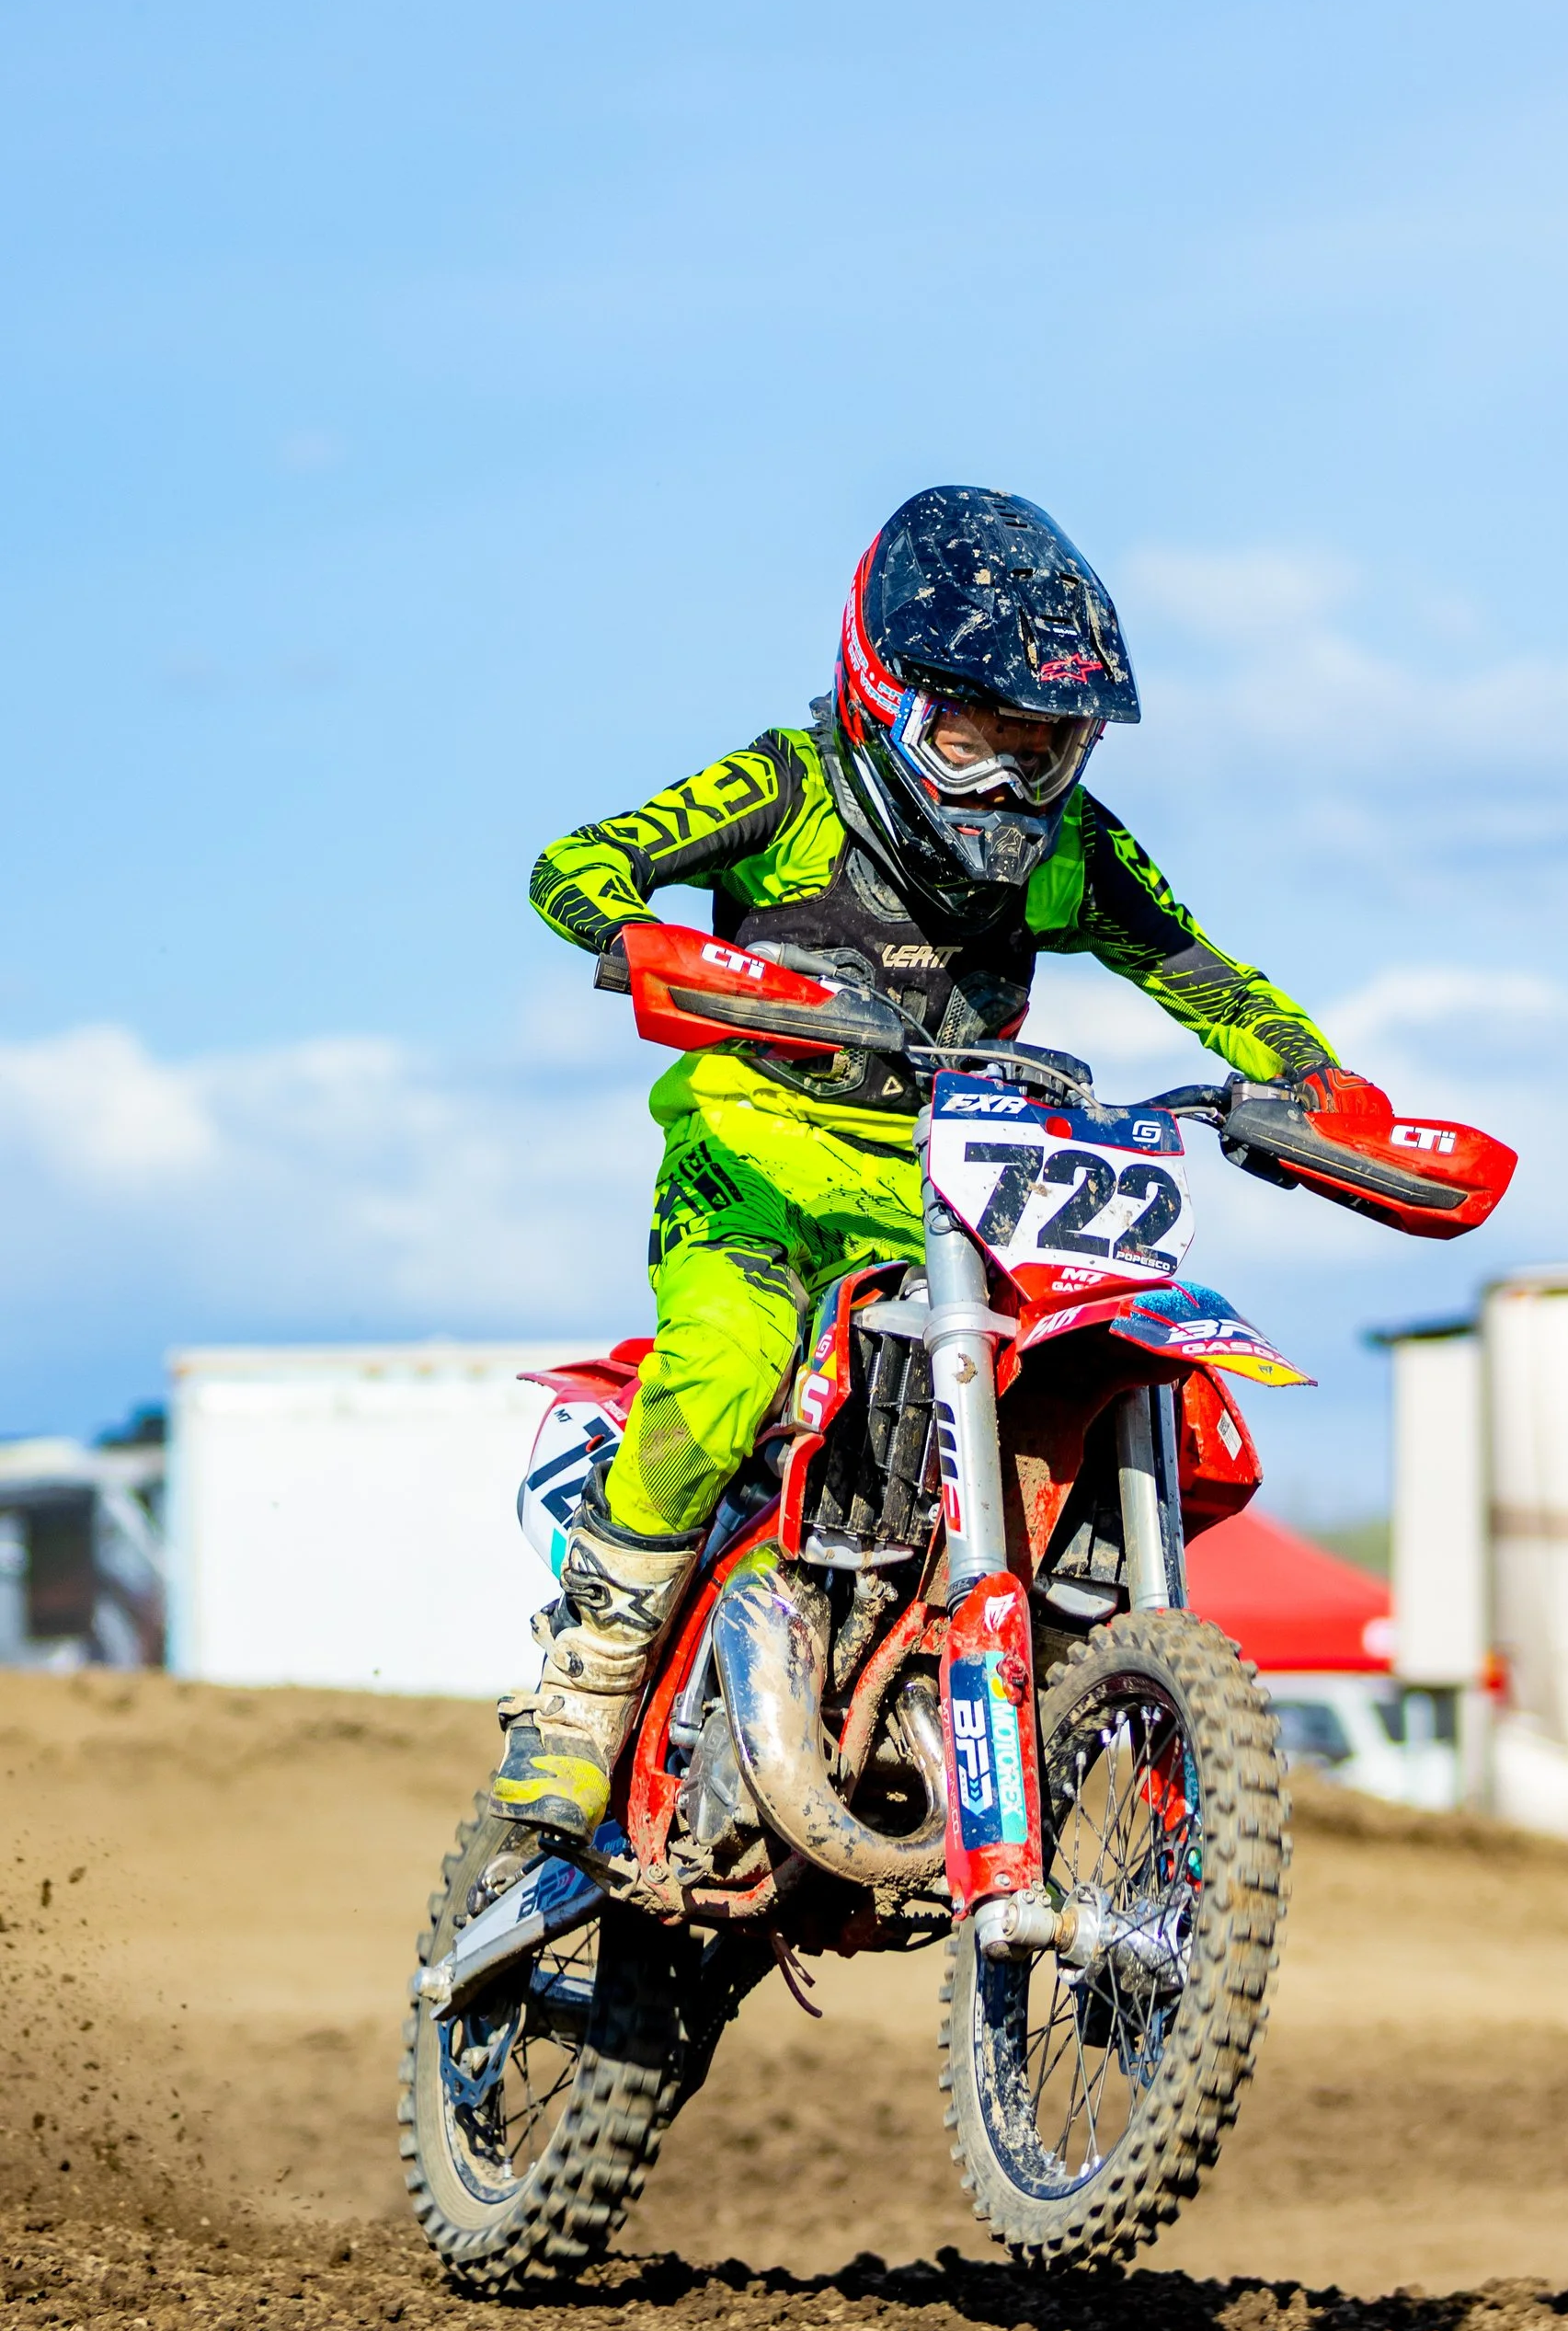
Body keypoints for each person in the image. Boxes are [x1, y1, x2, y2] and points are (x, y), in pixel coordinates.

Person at [494, 483, 1380, 1836]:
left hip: (958, 1185)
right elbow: (579, 863)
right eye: (978, 740)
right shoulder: (788, 783)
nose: (1013, 784)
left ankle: (1024, 1658)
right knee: (729, 1363)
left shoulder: (1067, 850)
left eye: (1047, 747)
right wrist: (658, 945)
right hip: (759, 1168)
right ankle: (582, 1692)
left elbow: (1193, 963)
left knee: (1102, 1362)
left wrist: (1315, 1080)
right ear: (883, 689)